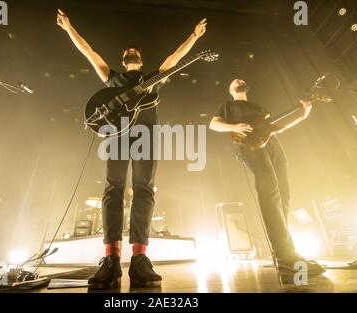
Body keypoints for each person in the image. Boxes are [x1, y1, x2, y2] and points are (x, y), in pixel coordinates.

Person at [57, 9, 207, 289]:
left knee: (144, 189)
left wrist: (194, 37)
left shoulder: (151, 79)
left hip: (145, 137)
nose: (130, 51)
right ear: (123, 59)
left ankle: (139, 258)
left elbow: (174, 58)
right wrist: (68, 28)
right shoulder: (113, 79)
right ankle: (111, 260)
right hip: (116, 136)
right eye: (126, 50)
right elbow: (89, 52)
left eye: (134, 50)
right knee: (112, 189)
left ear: (140, 58)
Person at [209, 79, 325, 276]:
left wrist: (303, 112)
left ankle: (288, 250)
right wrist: (234, 127)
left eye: (242, 80)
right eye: (235, 81)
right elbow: (213, 125)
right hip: (248, 144)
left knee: (284, 194)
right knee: (269, 188)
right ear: (231, 90)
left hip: (272, 143)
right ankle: (284, 254)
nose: (239, 80)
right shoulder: (228, 106)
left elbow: (276, 125)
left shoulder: (258, 107)